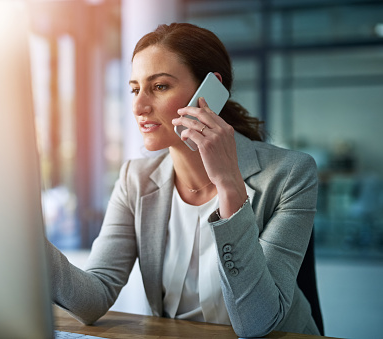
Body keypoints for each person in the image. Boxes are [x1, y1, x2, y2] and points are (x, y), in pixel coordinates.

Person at [46, 23, 319, 338]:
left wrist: (229, 186)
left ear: (210, 91)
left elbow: (257, 323)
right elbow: (92, 299)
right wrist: (27, 241)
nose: (138, 106)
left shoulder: (290, 174)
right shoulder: (135, 179)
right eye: (135, 89)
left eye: (159, 86)